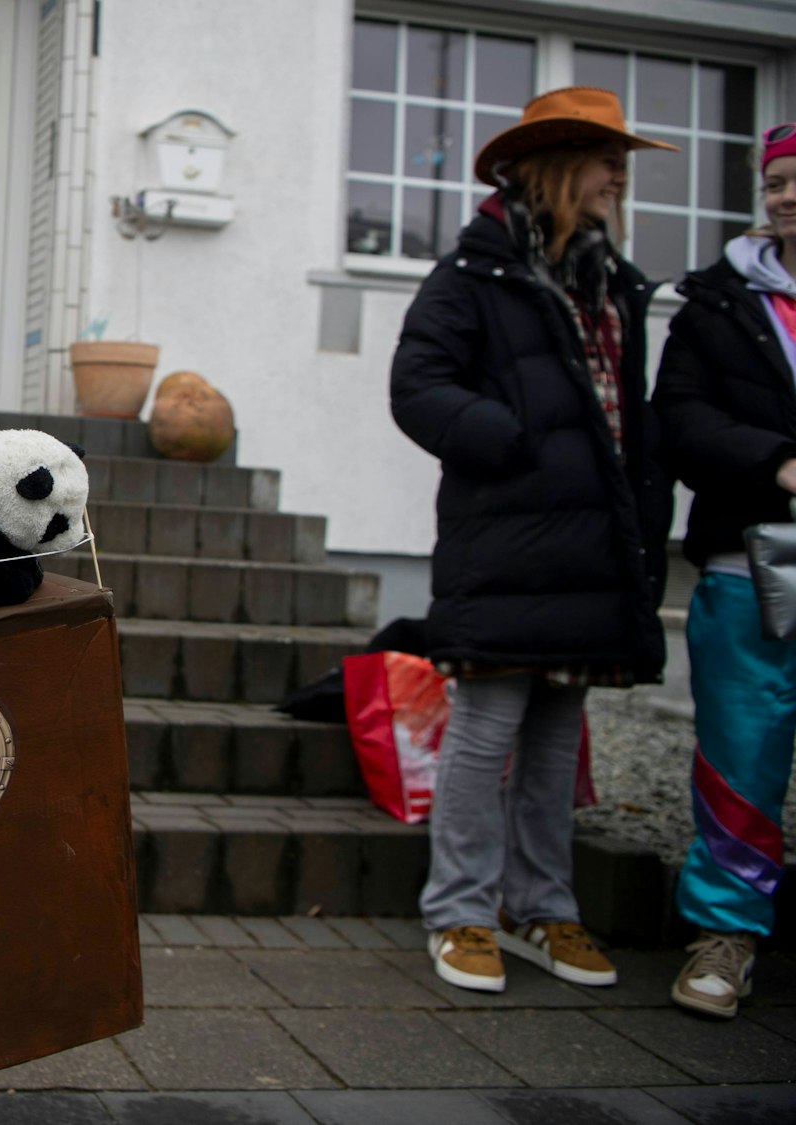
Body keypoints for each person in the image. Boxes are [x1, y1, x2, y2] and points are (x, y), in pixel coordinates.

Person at [390, 87, 676, 993]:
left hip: (594, 547)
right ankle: (462, 910)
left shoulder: (613, 284)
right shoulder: (474, 274)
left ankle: (541, 906)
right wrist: (513, 443)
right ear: (553, 168)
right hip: (508, 540)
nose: (620, 176)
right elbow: (418, 386)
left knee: (558, 735)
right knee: (485, 730)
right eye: (604, 157)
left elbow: (627, 417)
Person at [651, 123, 796, 1019]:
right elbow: (681, 418)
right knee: (742, 754)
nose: (783, 197)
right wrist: (780, 463)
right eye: (776, 182)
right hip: (752, 565)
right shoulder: (715, 302)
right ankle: (724, 936)